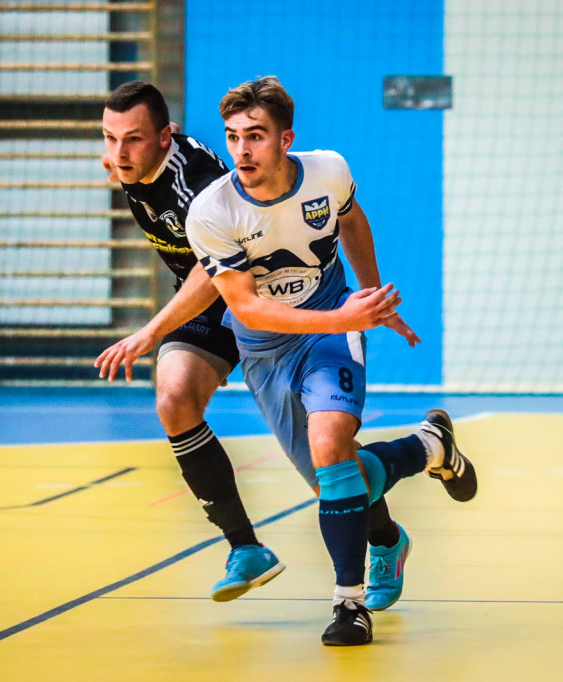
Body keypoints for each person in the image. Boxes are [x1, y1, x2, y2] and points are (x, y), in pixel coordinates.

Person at [186, 76, 477, 646]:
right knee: (336, 483)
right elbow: (248, 306)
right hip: (267, 347)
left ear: (285, 139)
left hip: (329, 332)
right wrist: (349, 318)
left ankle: (349, 607)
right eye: (233, 137)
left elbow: (351, 220)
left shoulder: (328, 171)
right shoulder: (212, 211)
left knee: (331, 447)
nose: (242, 149)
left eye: (256, 136)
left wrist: (369, 298)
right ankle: (427, 453)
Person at [96, 81, 284, 601]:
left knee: (322, 449)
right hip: (207, 301)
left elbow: (213, 266)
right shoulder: (127, 162)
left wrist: (150, 332)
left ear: (166, 136)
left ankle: (392, 517)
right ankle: (245, 548)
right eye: (108, 139)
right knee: (175, 399)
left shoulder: (193, 184)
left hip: (264, 294)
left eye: (131, 140)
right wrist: (118, 154)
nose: (118, 154)